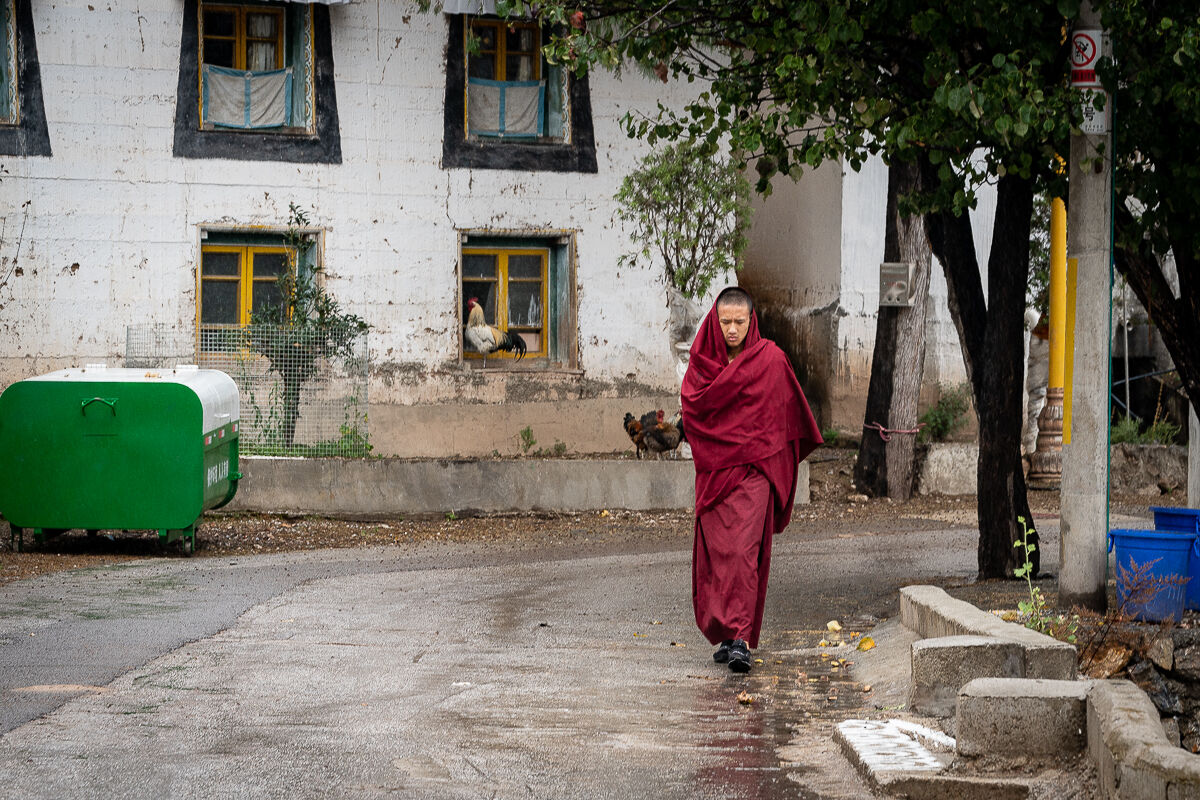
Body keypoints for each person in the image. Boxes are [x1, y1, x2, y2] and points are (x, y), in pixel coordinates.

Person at [681, 286, 823, 673]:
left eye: (739, 322)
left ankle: (741, 639)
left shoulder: (770, 360)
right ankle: (727, 634)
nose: (732, 330)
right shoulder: (702, 363)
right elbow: (692, 410)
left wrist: (770, 457)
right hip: (715, 473)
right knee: (718, 557)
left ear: (751, 320)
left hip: (755, 472)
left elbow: (785, 413)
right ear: (715, 321)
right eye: (725, 322)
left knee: (744, 553)